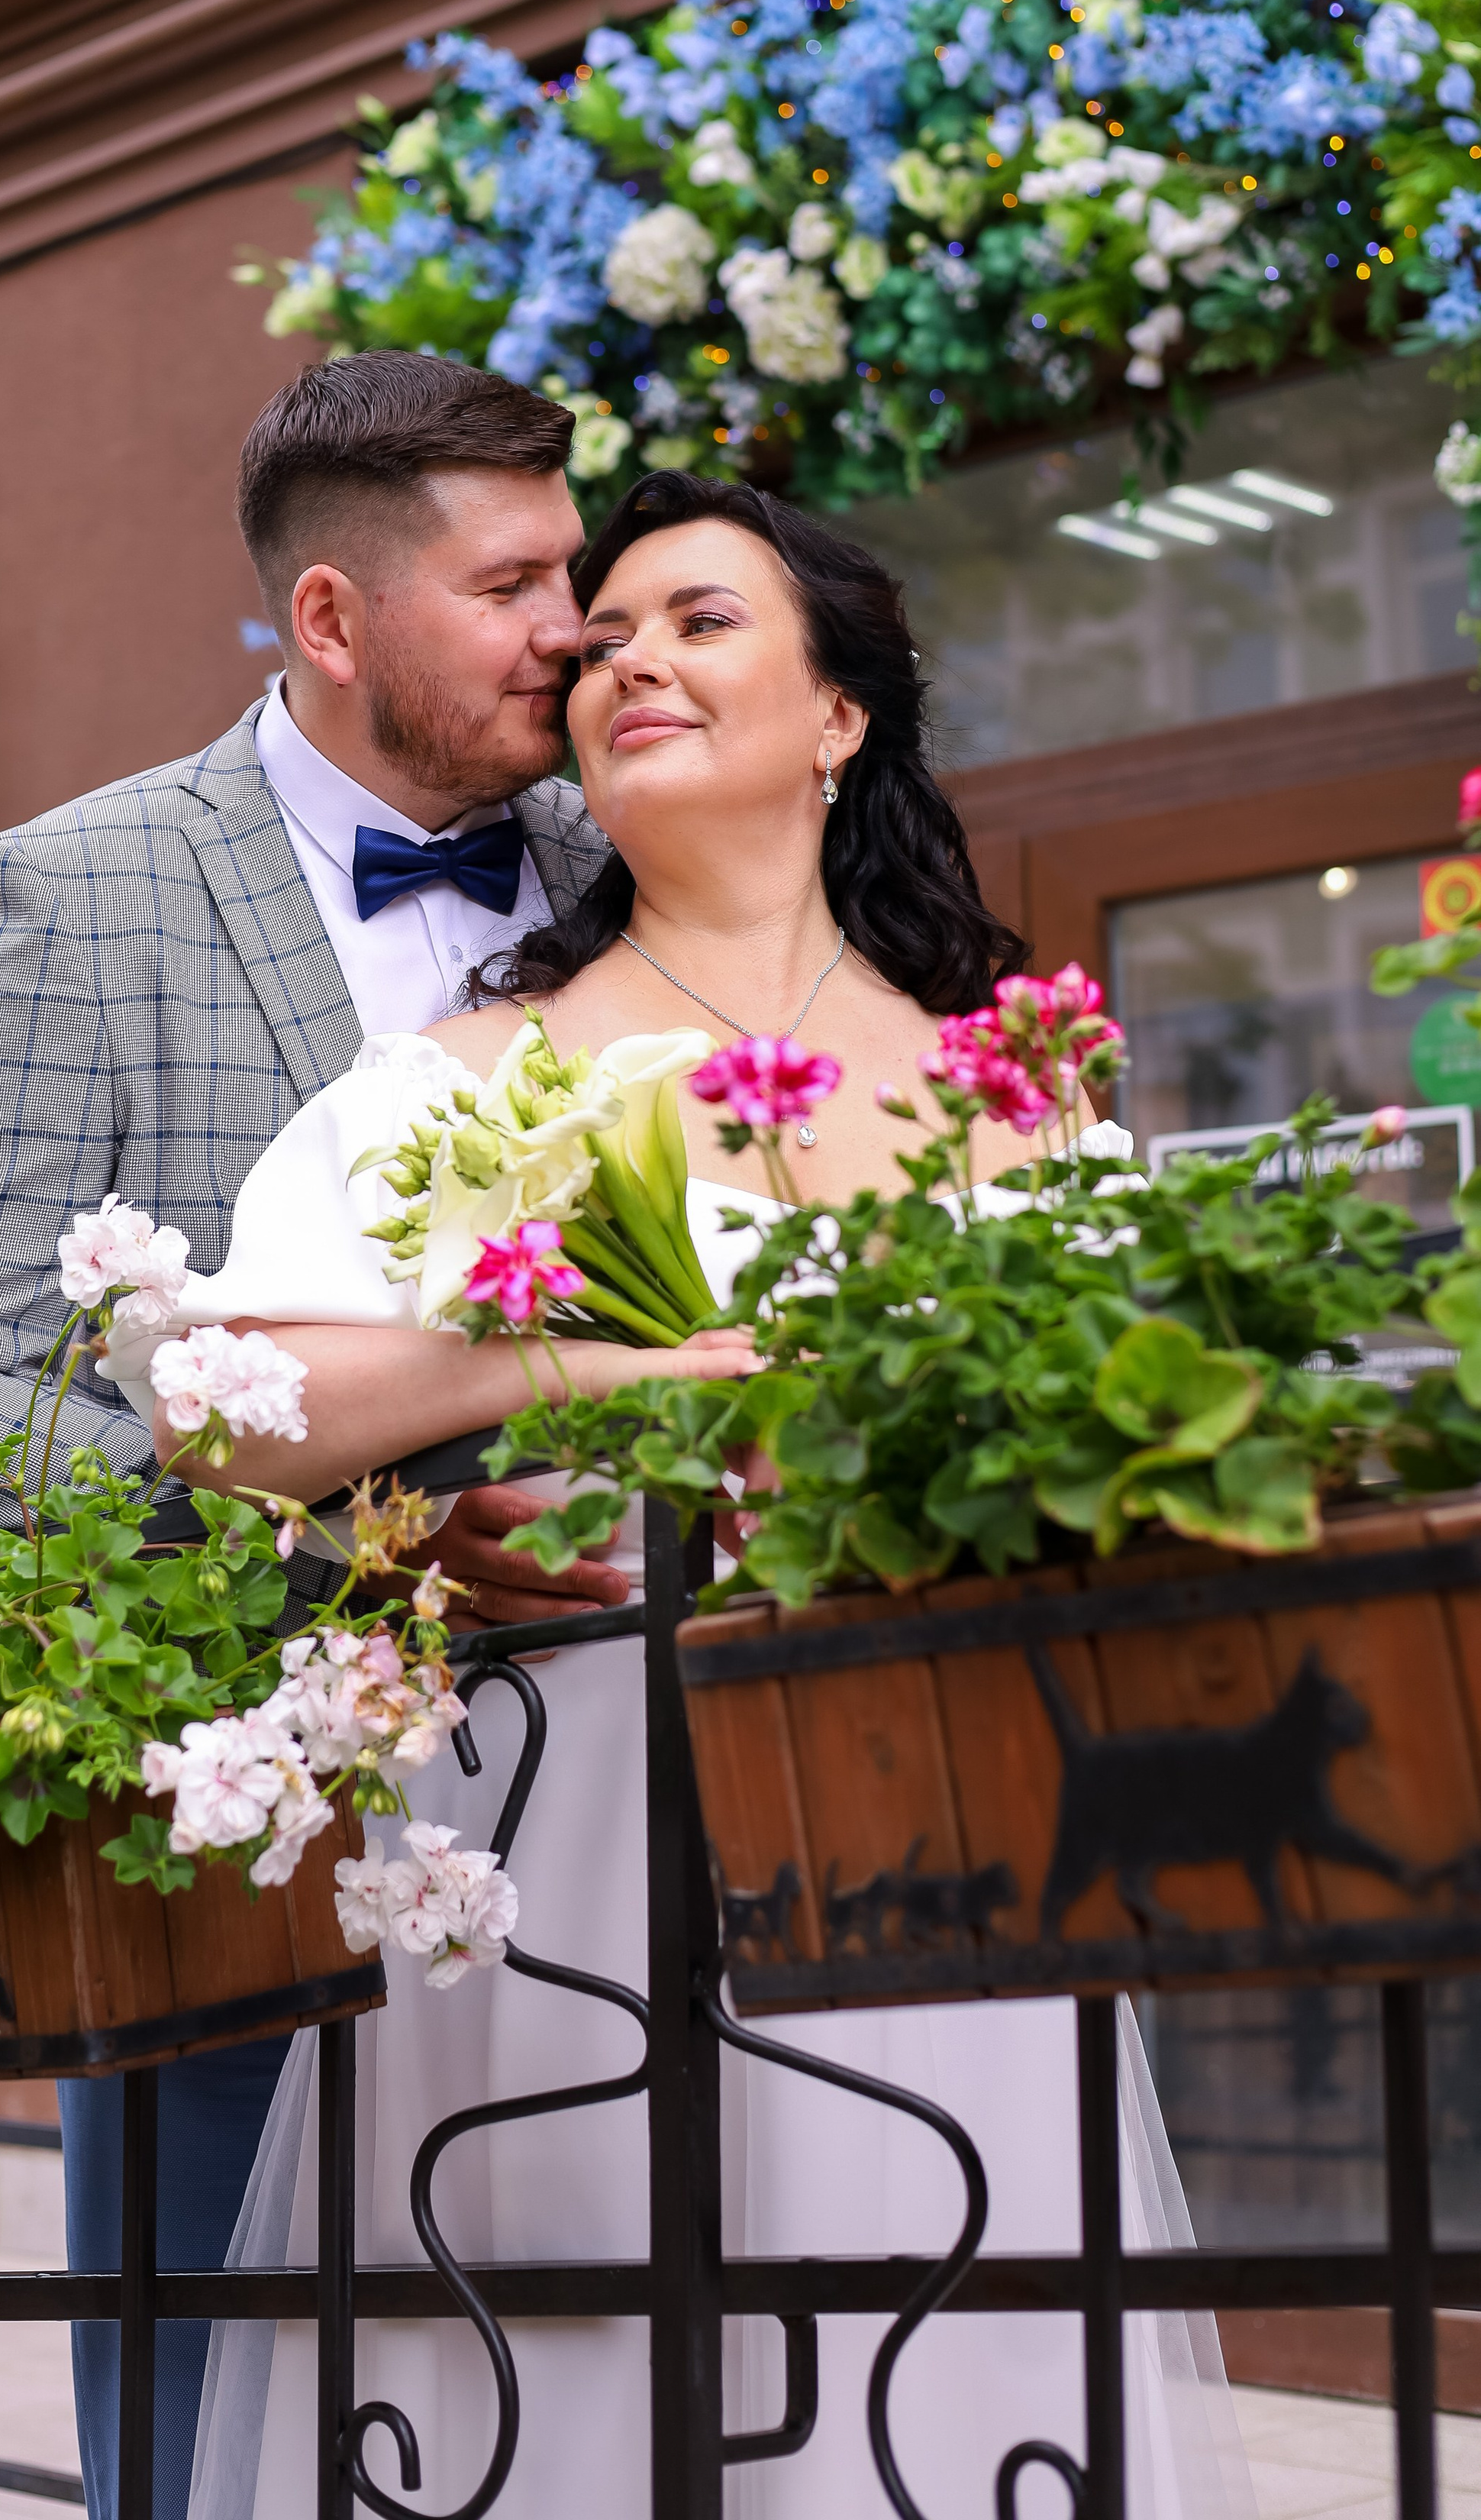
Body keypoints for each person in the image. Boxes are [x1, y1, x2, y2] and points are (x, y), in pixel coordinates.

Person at [158, 471, 1259, 2519]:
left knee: (925, 2374)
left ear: (842, 717)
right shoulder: (476, 1074)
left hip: (919, 1818)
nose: (632, 660)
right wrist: (570, 1354)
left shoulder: (1015, 1096)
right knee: (556, 2398)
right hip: (560, 1839)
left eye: (701, 621)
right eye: (608, 643)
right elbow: (229, 1406)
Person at [0, 351, 715, 2518]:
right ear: (333, 619)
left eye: (575, 571)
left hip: (646, 1822)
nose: (573, 628)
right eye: (515, 582)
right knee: (231, 2435)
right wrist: (334, 1532)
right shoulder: (84, 891)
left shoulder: (652, 861)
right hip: (258, 1846)